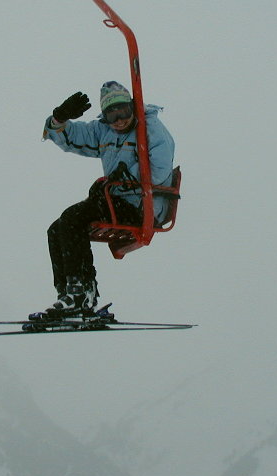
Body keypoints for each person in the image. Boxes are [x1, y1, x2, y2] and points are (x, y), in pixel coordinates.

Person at [39, 81, 175, 316]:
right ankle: (68, 293)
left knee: (72, 218)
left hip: (141, 206)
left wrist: (126, 178)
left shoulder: (150, 128)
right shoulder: (105, 131)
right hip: (116, 202)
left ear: (132, 107)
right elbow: (73, 137)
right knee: (56, 228)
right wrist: (59, 119)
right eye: (112, 116)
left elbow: (161, 168)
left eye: (124, 112)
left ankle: (81, 292)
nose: (119, 120)